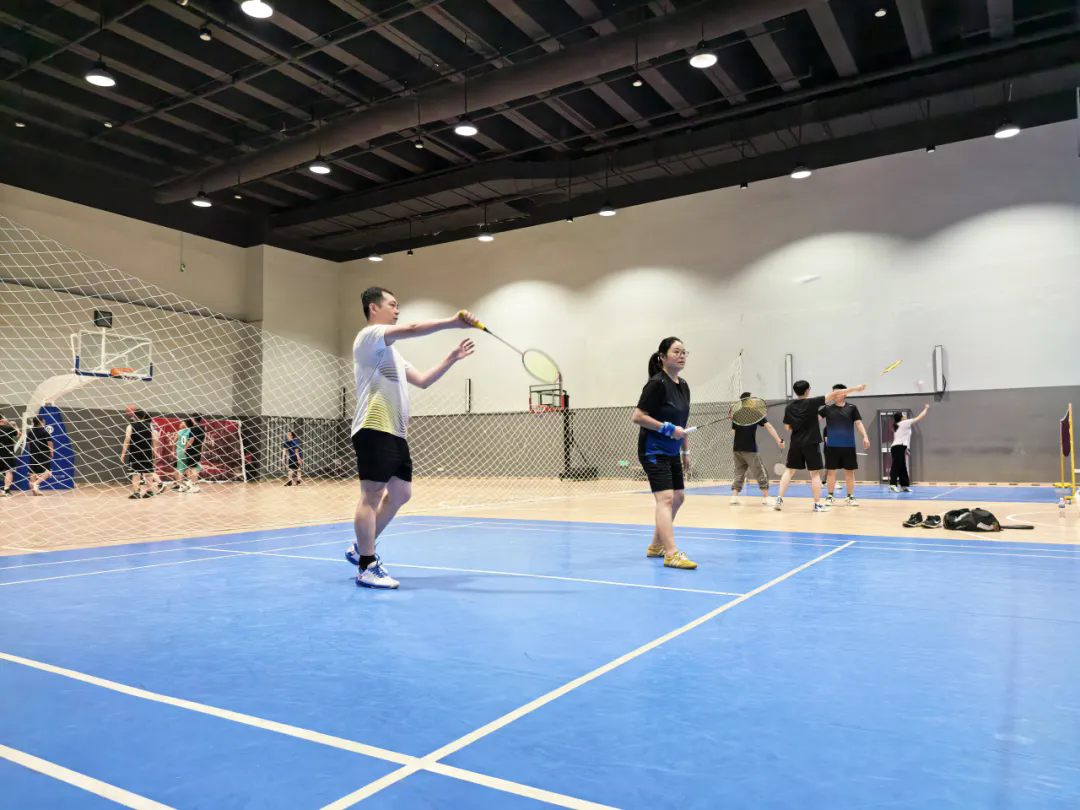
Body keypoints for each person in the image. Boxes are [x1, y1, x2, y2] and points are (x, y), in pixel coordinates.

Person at [344, 287, 475, 589]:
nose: (397, 310)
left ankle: (360, 546)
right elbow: (413, 328)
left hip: (395, 431)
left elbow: (424, 381)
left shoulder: (392, 354)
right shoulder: (369, 337)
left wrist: (451, 358)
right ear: (373, 308)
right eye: (392, 304)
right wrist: (452, 322)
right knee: (372, 495)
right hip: (374, 427)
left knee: (401, 493)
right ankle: (366, 565)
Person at [630, 337, 697, 570]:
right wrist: (668, 429)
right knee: (666, 498)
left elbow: (682, 423)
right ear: (662, 356)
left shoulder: (684, 385)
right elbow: (638, 417)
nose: (682, 356)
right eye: (676, 351)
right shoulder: (656, 384)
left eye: (684, 352)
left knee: (678, 497)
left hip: (672, 451)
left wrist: (685, 450)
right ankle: (671, 554)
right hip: (653, 449)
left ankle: (656, 545)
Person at [774, 380, 867, 512]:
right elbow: (834, 394)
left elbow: (787, 427)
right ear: (808, 390)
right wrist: (856, 388)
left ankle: (779, 499)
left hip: (795, 443)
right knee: (815, 474)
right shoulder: (813, 402)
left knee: (789, 471)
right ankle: (817, 504)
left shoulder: (789, 407)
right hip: (811, 443)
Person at [819, 384, 871, 507]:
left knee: (850, 472)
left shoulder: (852, 408)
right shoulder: (827, 409)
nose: (834, 395)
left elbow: (858, 423)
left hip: (848, 445)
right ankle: (830, 496)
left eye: (837, 393)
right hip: (832, 446)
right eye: (833, 393)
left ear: (844, 394)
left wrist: (865, 437)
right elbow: (815, 418)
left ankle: (850, 496)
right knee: (831, 472)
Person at [730, 392, 784, 506]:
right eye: (752, 399)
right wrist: (778, 440)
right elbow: (769, 426)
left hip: (737, 449)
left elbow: (733, 433)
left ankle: (734, 497)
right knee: (760, 472)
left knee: (739, 473)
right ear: (749, 401)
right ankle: (766, 498)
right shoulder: (755, 413)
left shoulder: (736, 414)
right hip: (750, 449)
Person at [121, 409, 164, 499]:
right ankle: (149, 492)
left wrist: (123, 454)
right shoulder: (150, 426)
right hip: (147, 453)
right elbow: (155, 440)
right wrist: (155, 452)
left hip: (135, 452)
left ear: (134, 416)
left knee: (136, 473)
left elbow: (127, 440)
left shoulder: (130, 426)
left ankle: (136, 493)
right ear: (144, 416)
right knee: (148, 473)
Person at [890, 404, 929, 492]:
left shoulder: (899, 424)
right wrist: (926, 408)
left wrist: (906, 449)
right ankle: (892, 484)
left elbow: (903, 437)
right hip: (898, 447)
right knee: (896, 466)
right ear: (901, 418)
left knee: (902, 467)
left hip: (900, 447)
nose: (905, 416)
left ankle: (903, 486)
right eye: (903, 415)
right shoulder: (904, 423)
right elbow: (920, 417)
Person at [26, 416, 54, 496]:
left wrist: (33, 450)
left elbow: (29, 444)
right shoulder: (44, 431)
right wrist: (51, 451)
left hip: (33, 454)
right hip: (44, 454)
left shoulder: (30, 432)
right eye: (43, 420)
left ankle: (35, 491)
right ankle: (36, 484)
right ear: (41, 421)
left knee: (33, 472)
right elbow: (50, 443)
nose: (45, 421)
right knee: (48, 472)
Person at [0, 416, 21, 496]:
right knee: (9, 472)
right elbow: (19, 435)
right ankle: (6, 490)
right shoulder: (8, 428)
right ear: (2, 420)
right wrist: (15, 425)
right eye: (5, 418)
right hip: (8, 453)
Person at [184, 414, 205, 493]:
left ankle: (195, 486)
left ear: (193, 419)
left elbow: (192, 439)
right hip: (198, 449)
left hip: (193, 449)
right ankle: (191, 485)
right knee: (191, 468)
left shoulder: (194, 427)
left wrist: (185, 448)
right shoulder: (202, 427)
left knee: (193, 469)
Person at [173, 418, 190, 491]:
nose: (180, 424)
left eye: (182, 422)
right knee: (190, 469)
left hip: (180, 452)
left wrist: (173, 450)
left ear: (185, 424)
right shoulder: (190, 431)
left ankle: (180, 485)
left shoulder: (179, 432)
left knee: (180, 469)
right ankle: (190, 485)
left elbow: (174, 442)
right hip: (188, 452)